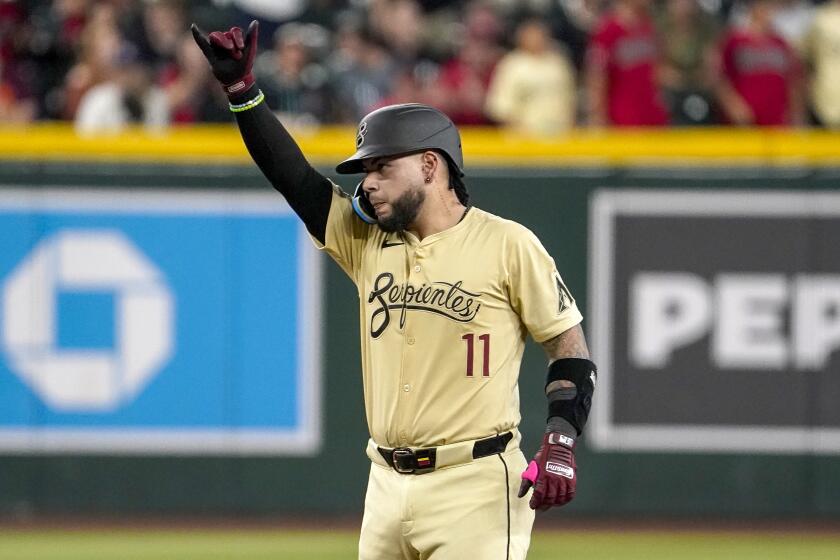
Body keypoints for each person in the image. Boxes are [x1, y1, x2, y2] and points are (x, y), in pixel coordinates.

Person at [192, 20, 597, 560]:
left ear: (431, 165)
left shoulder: (508, 244)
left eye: (382, 166)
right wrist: (244, 94)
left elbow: (569, 351)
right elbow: (296, 180)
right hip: (384, 484)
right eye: (365, 171)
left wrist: (561, 441)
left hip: (475, 483)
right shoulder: (368, 242)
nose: (368, 183)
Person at [715, 0, 804, 126]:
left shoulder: (780, 43)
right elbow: (720, 78)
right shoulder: (735, 41)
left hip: (776, 122)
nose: (769, 12)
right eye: (765, 7)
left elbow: (794, 81)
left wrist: (795, 115)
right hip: (744, 121)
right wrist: (733, 105)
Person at [584, 0, 669, 127]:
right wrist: (598, 118)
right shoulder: (607, 30)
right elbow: (597, 78)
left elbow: (658, 70)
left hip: (653, 116)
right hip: (622, 119)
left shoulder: (650, 25)